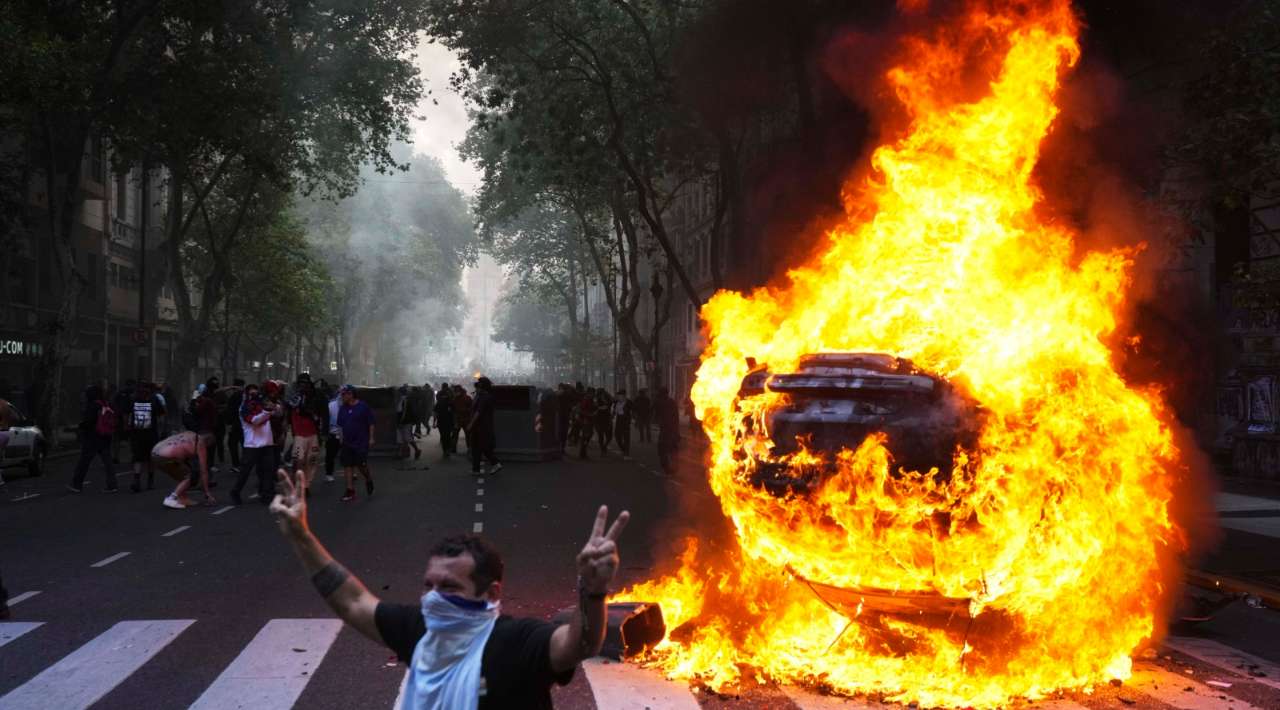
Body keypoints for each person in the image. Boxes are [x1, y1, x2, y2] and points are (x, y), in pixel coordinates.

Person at [270, 466, 629, 710]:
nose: (434, 597)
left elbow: (578, 644)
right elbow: (352, 602)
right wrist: (301, 537)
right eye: (429, 585)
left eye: (450, 587)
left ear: (491, 594)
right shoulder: (420, 631)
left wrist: (592, 590)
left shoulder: (517, 642)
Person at [231, 383, 277, 505]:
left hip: (267, 443)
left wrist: (274, 407)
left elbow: (277, 412)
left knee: (268, 470)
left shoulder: (262, 405)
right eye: (252, 393)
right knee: (245, 471)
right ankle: (235, 491)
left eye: (256, 393)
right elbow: (254, 421)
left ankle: (267, 495)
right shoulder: (243, 408)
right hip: (252, 445)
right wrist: (268, 410)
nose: (254, 395)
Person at [68, 384, 118, 493]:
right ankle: (112, 484)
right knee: (108, 461)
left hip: (92, 437)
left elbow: (88, 422)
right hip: (106, 436)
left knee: (84, 462)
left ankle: (77, 484)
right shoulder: (107, 404)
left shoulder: (92, 406)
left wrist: (81, 426)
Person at [335, 385, 375, 502]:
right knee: (347, 465)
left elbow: (371, 423)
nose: (342, 397)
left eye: (344, 394)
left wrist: (371, 438)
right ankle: (350, 490)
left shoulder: (363, 407)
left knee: (361, 465)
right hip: (347, 442)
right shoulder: (343, 408)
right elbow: (340, 425)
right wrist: (341, 438)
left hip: (361, 442)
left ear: (351, 394)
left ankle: (368, 478)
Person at [156, 430, 214, 509]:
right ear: (208, 443)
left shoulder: (189, 433)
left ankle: (183, 498)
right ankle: (171, 498)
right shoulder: (200, 444)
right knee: (189, 476)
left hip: (155, 454)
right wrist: (207, 493)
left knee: (182, 473)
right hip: (166, 457)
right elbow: (203, 471)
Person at [126, 382, 166, 492]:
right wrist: (161, 431)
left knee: (138, 457)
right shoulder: (154, 399)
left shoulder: (133, 399)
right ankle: (149, 481)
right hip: (151, 433)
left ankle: (137, 480)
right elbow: (161, 416)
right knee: (150, 458)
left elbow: (127, 414)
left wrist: (128, 427)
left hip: (137, 433)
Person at [288, 374, 326, 489]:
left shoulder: (316, 396)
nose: (303, 385)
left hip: (313, 433)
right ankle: (298, 483)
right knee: (298, 460)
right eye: (301, 383)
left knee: (312, 460)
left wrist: (324, 431)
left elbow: (323, 413)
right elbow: (287, 410)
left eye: (305, 383)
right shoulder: (294, 397)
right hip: (299, 434)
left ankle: (306, 484)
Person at [467, 377, 502, 477]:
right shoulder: (483, 396)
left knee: (481, 447)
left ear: (482, 387)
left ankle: (494, 463)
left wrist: (471, 424)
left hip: (481, 427)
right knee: (478, 447)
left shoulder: (484, 397)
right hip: (481, 427)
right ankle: (476, 469)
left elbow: (478, 412)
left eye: (478, 386)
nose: (476, 388)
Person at [655, 387, 681, 475]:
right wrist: (677, 431)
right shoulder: (672, 402)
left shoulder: (659, 402)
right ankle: (673, 466)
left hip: (666, 430)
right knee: (672, 450)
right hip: (672, 429)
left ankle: (668, 468)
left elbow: (655, 415)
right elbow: (676, 417)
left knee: (662, 450)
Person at [396, 385, 421, 465]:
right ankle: (400, 453)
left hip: (405, 422)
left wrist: (400, 422)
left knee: (407, 438)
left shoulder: (405, 401)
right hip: (402, 422)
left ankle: (417, 450)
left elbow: (403, 413)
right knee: (400, 438)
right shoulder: (401, 400)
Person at [434, 382, 456, 460]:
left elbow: (435, 413)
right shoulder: (450, 400)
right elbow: (454, 412)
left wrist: (434, 422)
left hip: (442, 421)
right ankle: (447, 450)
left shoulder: (440, 401)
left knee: (444, 436)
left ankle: (446, 450)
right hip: (448, 421)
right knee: (446, 435)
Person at [325, 387, 342, 483]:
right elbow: (326, 420)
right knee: (330, 455)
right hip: (332, 434)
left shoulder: (349, 405)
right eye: (341, 394)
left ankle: (353, 472)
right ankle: (329, 473)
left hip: (346, 434)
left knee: (350, 454)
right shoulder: (331, 405)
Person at [453, 385, 473, 454]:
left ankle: (454, 448)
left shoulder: (465, 398)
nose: (456, 392)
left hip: (463, 419)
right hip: (462, 419)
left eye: (456, 391)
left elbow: (471, 409)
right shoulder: (457, 398)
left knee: (458, 435)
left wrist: (462, 410)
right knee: (466, 435)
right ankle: (469, 448)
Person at [576, 390, 596, 460]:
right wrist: (589, 414)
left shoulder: (590, 400)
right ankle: (582, 453)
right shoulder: (586, 400)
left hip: (588, 420)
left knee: (588, 435)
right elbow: (581, 410)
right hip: (586, 421)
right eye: (593, 393)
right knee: (586, 436)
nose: (593, 395)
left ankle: (583, 453)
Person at [612, 390, 632, 457]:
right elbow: (614, 411)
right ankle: (623, 448)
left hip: (625, 421)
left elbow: (633, 409)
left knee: (626, 437)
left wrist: (631, 418)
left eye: (620, 395)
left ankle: (627, 451)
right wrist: (612, 416)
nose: (619, 397)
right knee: (617, 436)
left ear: (624, 396)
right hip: (619, 420)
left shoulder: (628, 402)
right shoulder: (616, 402)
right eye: (618, 395)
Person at [593, 390, 613, 456]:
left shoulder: (608, 399)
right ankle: (602, 449)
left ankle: (604, 446)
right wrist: (600, 407)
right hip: (599, 419)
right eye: (601, 394)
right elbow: (595, 407)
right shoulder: (596, 400)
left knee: (609, 436)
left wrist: (605, 400)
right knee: (600, 435)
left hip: (607, 419)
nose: (602, 396)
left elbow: (611, 402)